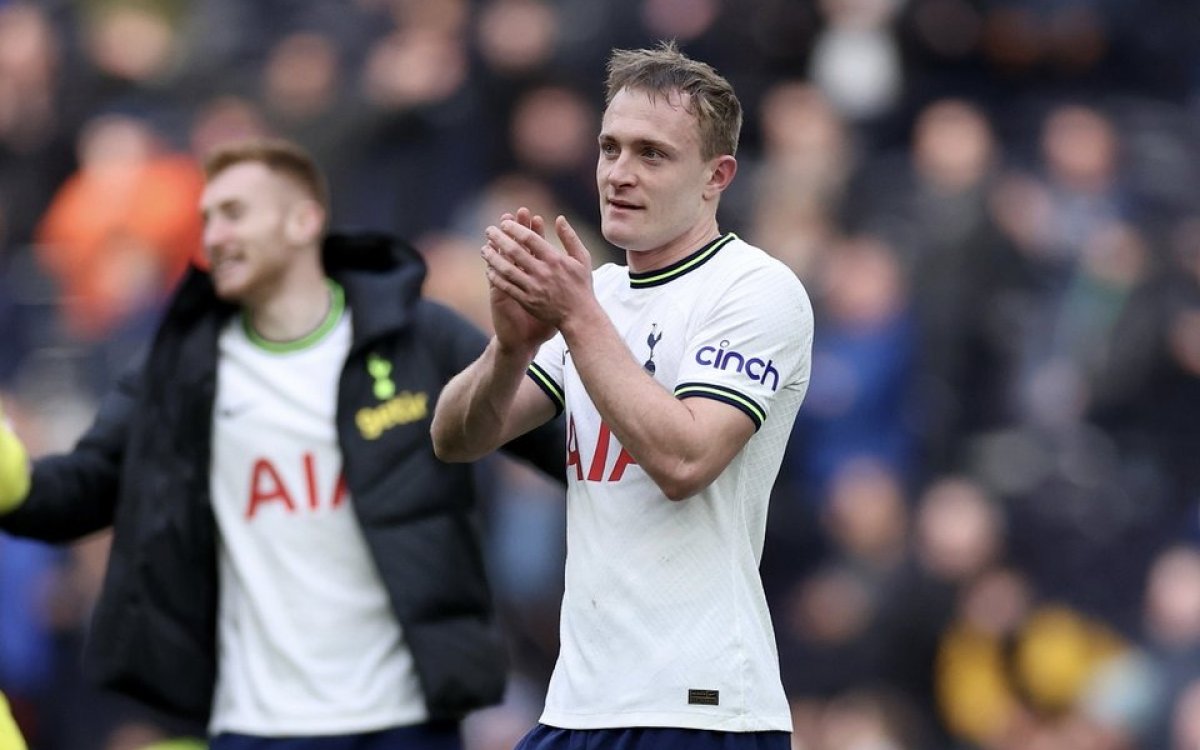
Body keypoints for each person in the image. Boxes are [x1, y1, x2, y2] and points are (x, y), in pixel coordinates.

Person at [0, 137, 566, 749]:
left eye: (235, 213)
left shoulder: (418, 338)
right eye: (207, 218)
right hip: (257, 722)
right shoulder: (181, 369)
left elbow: (569, 454)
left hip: (403, 717)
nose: (214, 235)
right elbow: (72, 492)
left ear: (303, 221)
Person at [431, 42, 814, 750]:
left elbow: (685, 461)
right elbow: (456, 438)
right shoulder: (601, 294)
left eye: (652, 154)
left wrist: (576, 318)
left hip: (699, 706)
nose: (619, 173)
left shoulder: (755, 290)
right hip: (582, 702)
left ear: (716, 176)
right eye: (610, 148)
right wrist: (509, 348)